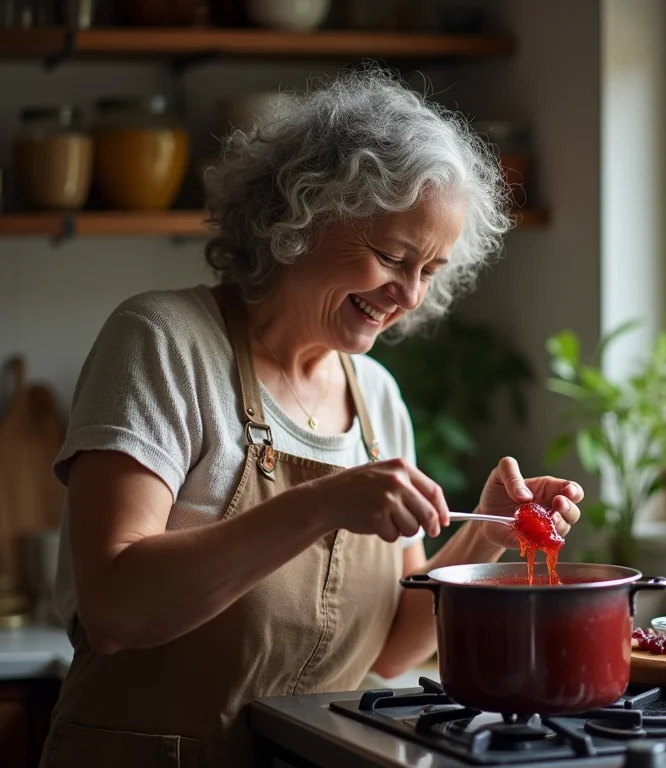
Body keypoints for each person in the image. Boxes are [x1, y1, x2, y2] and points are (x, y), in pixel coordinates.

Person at [40, 69, 582, 768]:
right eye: (393, 256)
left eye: (431, 270)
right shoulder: (163, 340)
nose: (409, 295)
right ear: (305, 214)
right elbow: (113, 608)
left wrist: (488, 534)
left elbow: (390, 646)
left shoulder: (377, 397)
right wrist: (321, 503)